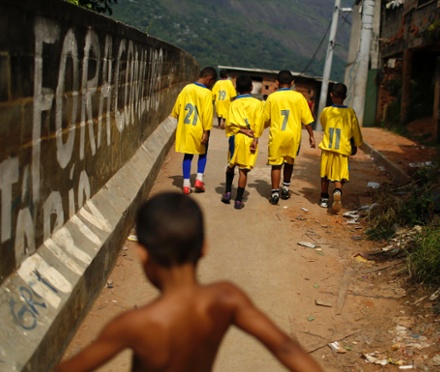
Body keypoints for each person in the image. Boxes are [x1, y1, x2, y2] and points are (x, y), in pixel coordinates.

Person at [56, 192, 323, 372]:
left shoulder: (133, 325)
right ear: (204, 248)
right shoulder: (226, 299)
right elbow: (285, 347)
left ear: (143, 255)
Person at [261, 70, 316, 205]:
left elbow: (265, 119)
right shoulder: (299, 97)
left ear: (277, 83)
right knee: (289, 162)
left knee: (276, 164)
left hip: (277, 136)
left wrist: (256, 133)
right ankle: (285, 188)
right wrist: (311, 135)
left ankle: (274, 193)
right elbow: (306, 120)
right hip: (293, 137)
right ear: (292, 83)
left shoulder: (272, 98)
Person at [318, 83, 363, 213]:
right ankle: (337, 190)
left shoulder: (326, 111)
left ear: (331, 95)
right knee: (339, 175)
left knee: (325, 174)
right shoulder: (350, 113)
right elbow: (355, 131)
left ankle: (324, 198)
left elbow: (323, 123)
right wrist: (356, 144)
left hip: (327, 148)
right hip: (342, 149)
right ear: (345, 96)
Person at [171, 66, 217, 195]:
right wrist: (206, 131)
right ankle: (198, 180)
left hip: (186, 127)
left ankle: (186, 185)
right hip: (199, 128)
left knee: (188, 155)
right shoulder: (207, 93)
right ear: (209, 79)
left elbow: (177, 109)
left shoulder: (187, 88)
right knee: (202, 153)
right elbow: (207, 113)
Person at [221, 75, 264, 209]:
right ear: (251, 88)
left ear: (236, 88)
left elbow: (229, 124)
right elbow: (259, 123)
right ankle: (238, 200)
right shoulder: (257, 104)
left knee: (231, 164)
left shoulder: (234, 104)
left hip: (236, 137)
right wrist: (255, 138)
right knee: (243, 170)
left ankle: (227, 192)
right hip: (250, 138)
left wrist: (242, 130)